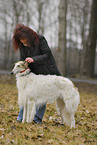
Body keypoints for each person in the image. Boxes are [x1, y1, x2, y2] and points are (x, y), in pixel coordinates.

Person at [12, 24, 61, 123]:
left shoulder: (40, 39)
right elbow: (22, 59)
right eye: (20, 40)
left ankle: (37, 119)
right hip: (32, 73)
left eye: (23, 39)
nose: (22, 41)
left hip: (46, 70)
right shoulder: (22, 45)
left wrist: (33, 59)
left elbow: (47, 55)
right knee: (26, 95)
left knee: (42, 95)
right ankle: (21, 118)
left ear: (28, 35)